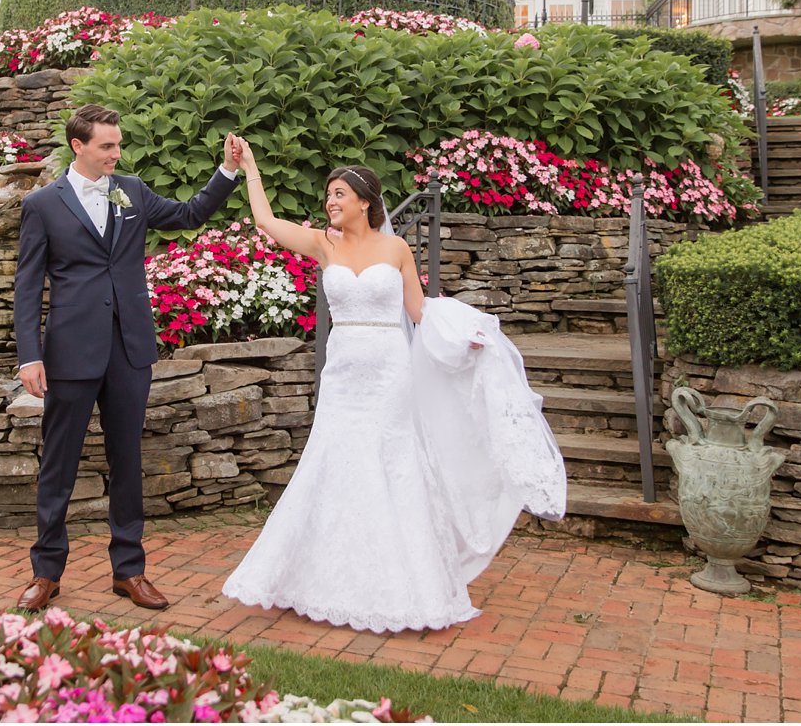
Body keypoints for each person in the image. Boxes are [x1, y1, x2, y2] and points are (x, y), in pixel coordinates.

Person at [221, 139, 566, 633]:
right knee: (336, 463)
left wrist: (463, 340)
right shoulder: (324, 244)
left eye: (339, 194)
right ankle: (323, 579)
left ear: (365, 200)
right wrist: (250, 168)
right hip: (343, 373)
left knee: (392, 466)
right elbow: (266, 223)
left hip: (389, 373)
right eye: (327, 195)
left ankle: (404, 583)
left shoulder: (396, 247)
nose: (330, 202)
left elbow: (420, 313)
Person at [12, 104, 242, 613]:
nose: (117, 153)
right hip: (70, 352)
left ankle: (130, 572)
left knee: (128, 462)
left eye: (118, 144)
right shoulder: (43, 204)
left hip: (130, 349)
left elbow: (188, 215)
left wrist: (226, 171)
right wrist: (30, 355)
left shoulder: (132, 191)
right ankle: (46, 574)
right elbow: (27, 285)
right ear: (79, 146)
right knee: (58, 465)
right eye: (107, 146)